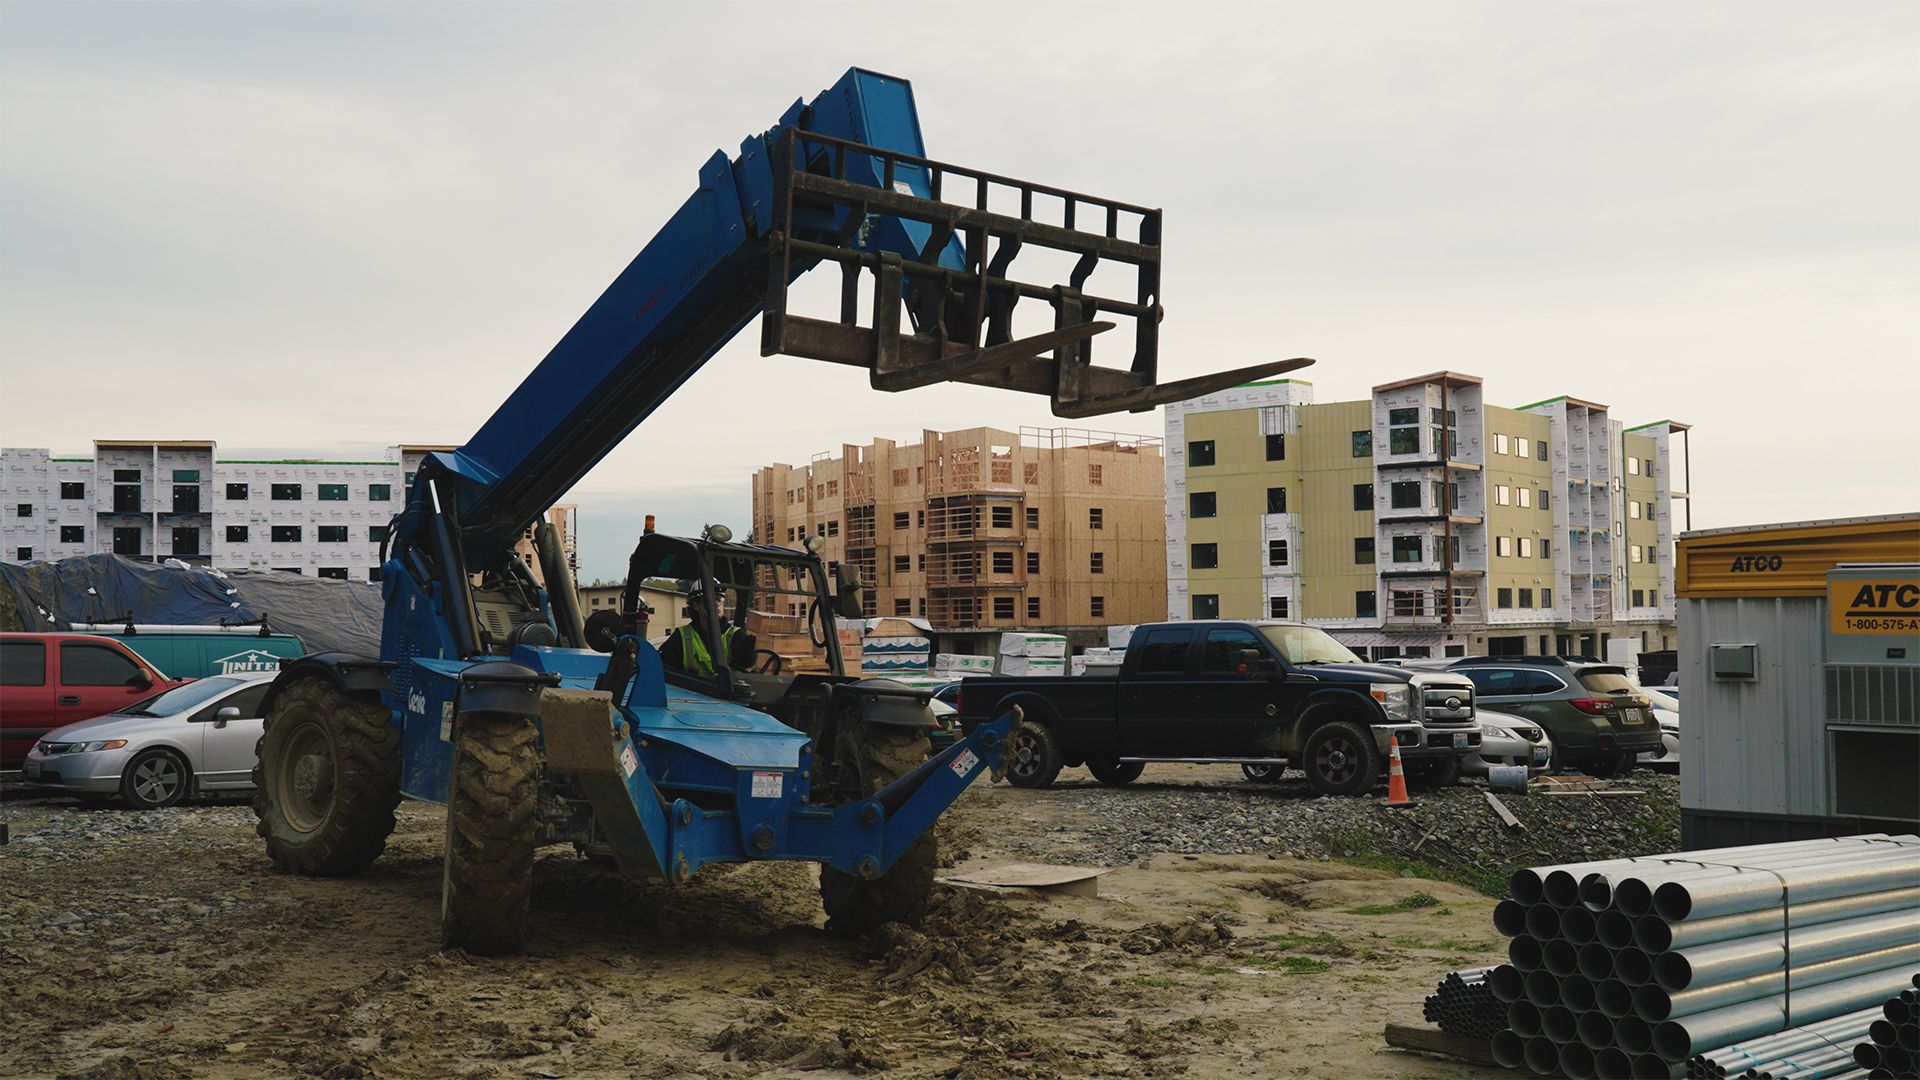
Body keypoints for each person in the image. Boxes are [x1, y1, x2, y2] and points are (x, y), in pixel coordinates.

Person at [659, 588, 755, 677]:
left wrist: (748, 659)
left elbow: (747, 672)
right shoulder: (682, 636)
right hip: (692, 693)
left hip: (729, 693)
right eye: (711, 599)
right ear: (696, 605)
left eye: (719, 600)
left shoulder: (736, 635)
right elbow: (664, 668)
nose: (717, 604)